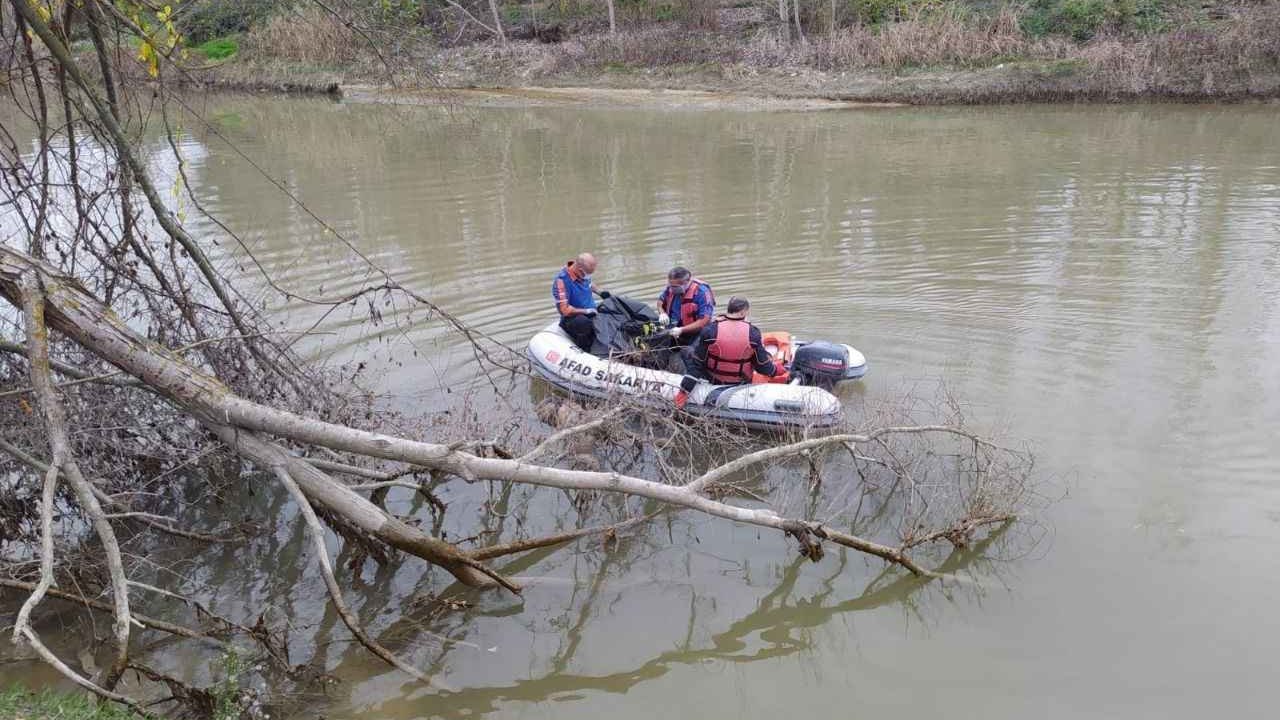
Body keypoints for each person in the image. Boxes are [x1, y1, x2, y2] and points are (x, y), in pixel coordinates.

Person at [677, 296, 788, 408]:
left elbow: (697, 364)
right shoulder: (753, 334)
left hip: (714, 380)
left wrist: (684, 390)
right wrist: (776, 370)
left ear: (728, 310)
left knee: (686, 351)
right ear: (744, 312)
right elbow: (763, 367)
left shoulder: (710, 330)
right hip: (741, 383)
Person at [551, 252, 609, 351]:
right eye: (588, 274)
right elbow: (564, 310)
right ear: (580, 270)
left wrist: (600, 292)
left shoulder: (582, 273)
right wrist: (586, 311)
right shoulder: (561, 281)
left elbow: (589, 283)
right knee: (584, 323)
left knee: (609, 312)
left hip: (591, 311)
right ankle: (586, 350)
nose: (588, 276)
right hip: (573, 318)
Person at [656, 266, 715, 346]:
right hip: (674, 328)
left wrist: (682, 330)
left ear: (687, 281)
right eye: (671, 285)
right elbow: (660, 301)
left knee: (691, 353)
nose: (673, 289)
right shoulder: (670, 288)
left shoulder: (702, 292)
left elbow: (705, 320)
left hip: (695, 332)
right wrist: (662, 313)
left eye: (676, 287)